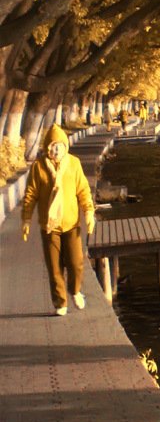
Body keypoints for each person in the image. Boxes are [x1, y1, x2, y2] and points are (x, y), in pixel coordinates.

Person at [21, 123, 96, 317]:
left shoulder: (73, 164)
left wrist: (88, 212)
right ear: (47, 147)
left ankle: (75, 290)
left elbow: (83, 190)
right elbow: (30, 194)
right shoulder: (39, 167)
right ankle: (60, 302)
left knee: (76, 262)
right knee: (54, 267)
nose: (56, 149)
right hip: (49, 226)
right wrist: (26, 219)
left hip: (71, 224)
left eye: (60, 145)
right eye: (53, 146)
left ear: (65, 146)